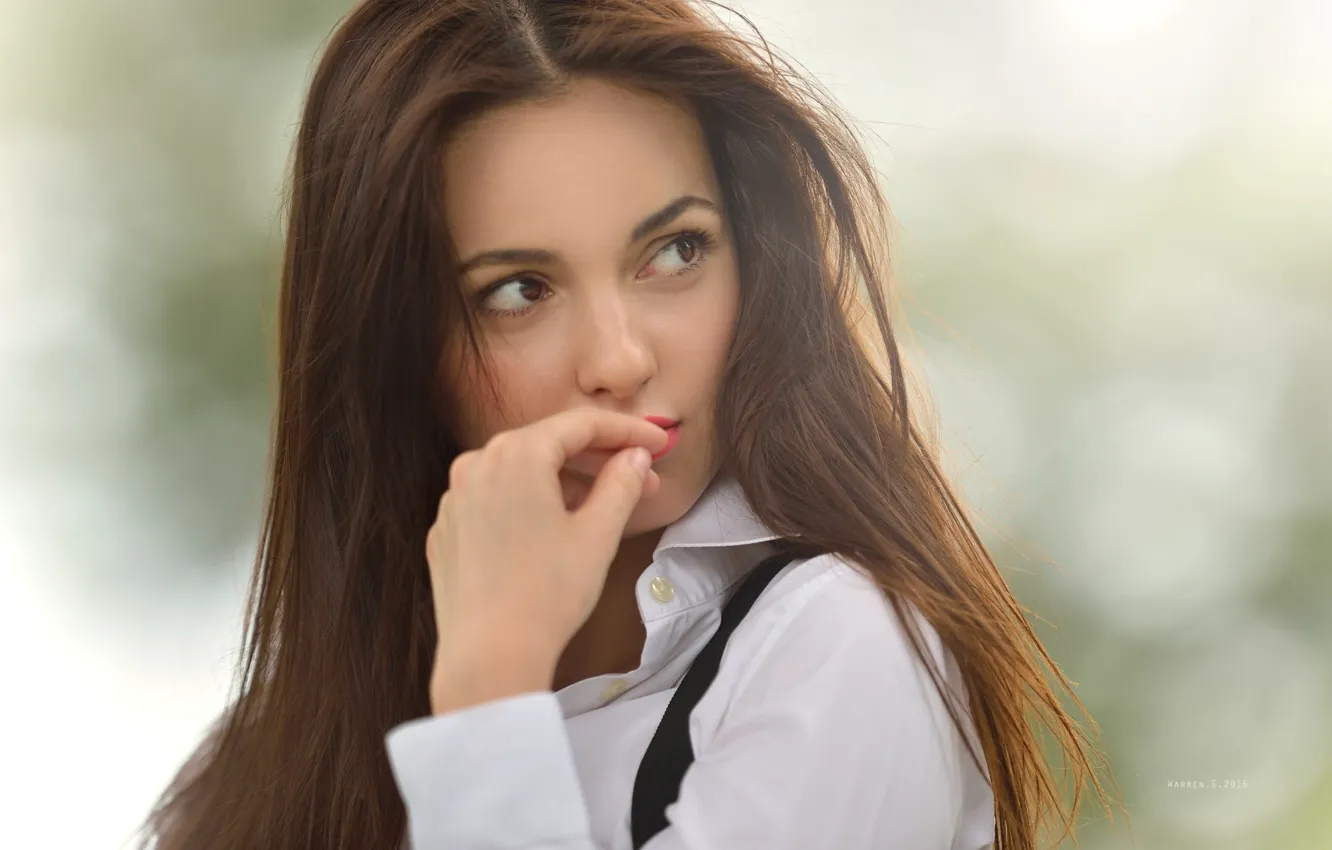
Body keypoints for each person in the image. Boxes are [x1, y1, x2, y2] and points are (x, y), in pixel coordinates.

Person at [137, 1, 1118, 848]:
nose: (617, 358)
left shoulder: (837, 647)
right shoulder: (265, 765)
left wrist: (490, 692)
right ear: (400, 351)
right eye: (519, 289)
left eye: (674, 250)